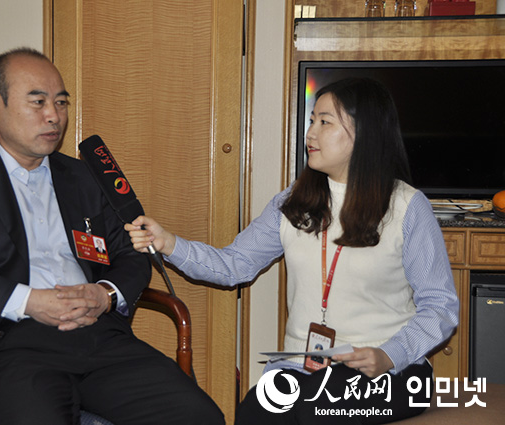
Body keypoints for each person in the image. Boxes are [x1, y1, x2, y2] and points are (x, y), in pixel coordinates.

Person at [0, 47, 224, 425]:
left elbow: (130, 253)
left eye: (60, 102)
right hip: (11, 344)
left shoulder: (84, 177)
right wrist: (29, 301)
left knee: (199, 416)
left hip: (99, 336)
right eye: (37, 102)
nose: (53, 116)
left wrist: (105, 294)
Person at [126, 78, 459, 424]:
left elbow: (440, 305)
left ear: (365, 132)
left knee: (317, 410)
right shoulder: (293, 202)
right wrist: (169, 243)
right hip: (304, 368)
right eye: (312, 120)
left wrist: (390, 355)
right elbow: (235, 265)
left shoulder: (406, 206)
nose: (310, 134)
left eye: (325, 122)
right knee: (254, 412)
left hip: (392, 372)